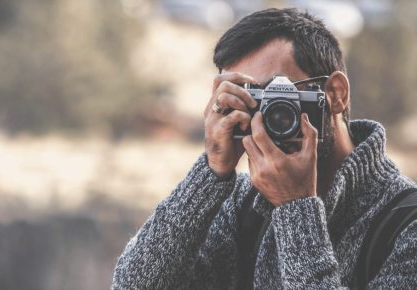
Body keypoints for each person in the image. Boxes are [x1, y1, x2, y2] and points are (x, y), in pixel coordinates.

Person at [112, 8, 417, 289]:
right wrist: (211, 171)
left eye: (280, 93)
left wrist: (295, 210)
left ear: (335, 94)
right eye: (253, 98)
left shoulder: (407, 226)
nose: (268, 116)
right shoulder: (242, 206)